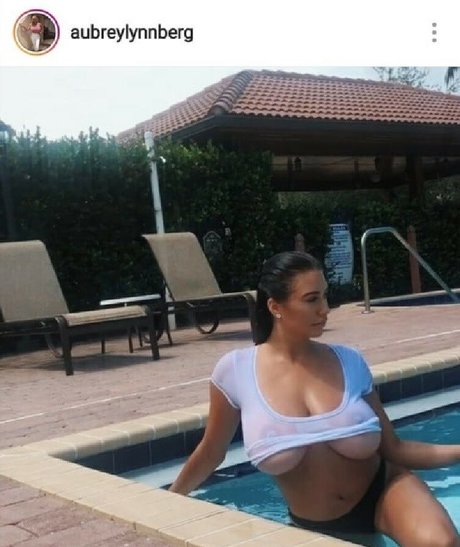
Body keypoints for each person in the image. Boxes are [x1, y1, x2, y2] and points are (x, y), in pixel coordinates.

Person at [169, 251, 460, 546]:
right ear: (275, 306)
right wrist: (168, 504)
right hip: (316, 526)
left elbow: (393, 448)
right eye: (311, 300)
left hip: (385, 492)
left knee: (441, 544)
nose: (325, 309)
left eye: (324, 296)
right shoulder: (235, 371)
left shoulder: (348, 361)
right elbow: (211, 452)